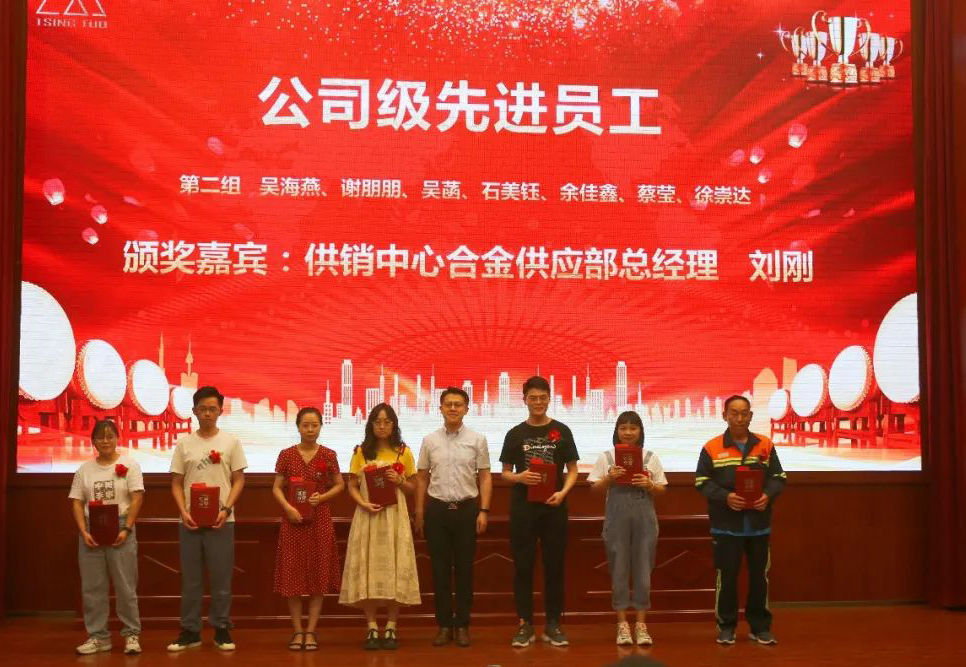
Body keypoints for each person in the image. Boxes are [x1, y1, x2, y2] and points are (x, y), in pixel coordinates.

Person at [695, 394, 786, 646]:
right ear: (724, 416)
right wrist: (726, 497)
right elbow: (701, 481)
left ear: (751, 416)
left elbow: (779, 478)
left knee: (759, 578)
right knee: (727, 578)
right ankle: (726, 627)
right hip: (726, 527)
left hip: (759, 526)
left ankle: (760, 627)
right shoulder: (712, 447)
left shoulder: (765, 445)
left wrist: (767, 495)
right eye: (734, 413)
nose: (739, 418)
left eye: (744, 413)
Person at [500, 376, 579, 647]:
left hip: (554, 508)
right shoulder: (515, 434)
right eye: (532, 398)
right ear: (524, 400)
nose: (537, 402)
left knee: (554, 567)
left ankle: (553, 624)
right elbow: (504, 473)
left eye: (542, 398)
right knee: (523, 568)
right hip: (523, 510)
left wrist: (563, 492)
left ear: (549, 399)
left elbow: (573, 470)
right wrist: (520, 477)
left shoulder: (562, 431)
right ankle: (525, 624)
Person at [167, 386, 248, 652]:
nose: (208, 413)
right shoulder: (184, 443)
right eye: (202, 409)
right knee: (191, 580)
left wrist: (227, 509)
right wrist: (183, 511)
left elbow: (239, 480)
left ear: (220, 411)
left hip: (222, 521)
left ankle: (222, 629)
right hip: (189, 521)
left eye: (212, 408)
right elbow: (176, 483)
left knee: (221, 579)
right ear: (194, 411)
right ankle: (190, 631)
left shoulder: (231, 442)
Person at [415, 387, 492, 648]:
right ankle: (444, 625)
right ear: (440, 408)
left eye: (458, 404)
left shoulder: (477, 440)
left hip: (467, 511)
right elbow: (422, 477)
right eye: (448, 404)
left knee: (464, 571)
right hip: (437, 511)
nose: (453, 408)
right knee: (439, 571)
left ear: (466, 409)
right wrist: (419, 512)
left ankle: (462, 626)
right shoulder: (430, 440)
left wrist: (484, 510)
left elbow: (485, 477)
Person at [339, 403, 420, 650]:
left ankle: (392, 626)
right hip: (369, 515)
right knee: (368, 568)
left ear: (394, 425)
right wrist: (362, 503)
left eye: (387, 422)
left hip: (395, 517)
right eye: (377, 421)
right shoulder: (361, 452)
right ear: (371, 425)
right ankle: (372, 626)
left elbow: (413, 488)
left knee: (395, 567)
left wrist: (400, 480)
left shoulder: (403, 452)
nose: (382, 426)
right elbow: (352, 485)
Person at [588, 411, 667, 646]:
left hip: (645, 521)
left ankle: (641, 625)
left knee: (644, 573)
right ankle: (622, 625)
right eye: (623, 428)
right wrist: (609, 479)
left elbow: (662, 489)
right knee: (619, 571)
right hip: (617, 521)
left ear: (641, 431)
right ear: (617, 431)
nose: (628, 432)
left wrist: (649, 484)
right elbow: (593, 489)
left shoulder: (651, 457)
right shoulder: (607, 457)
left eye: (633, 428)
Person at [69, 419, 144, 655]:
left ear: (117, 438)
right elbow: (76, 502)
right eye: (100, 437)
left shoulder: (129, 465)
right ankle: (98, 637)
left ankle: (131, 634)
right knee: (93, 587)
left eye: (110, 436)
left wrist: (127, 528)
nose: (105, 441)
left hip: (121, 526)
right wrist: (83, 531)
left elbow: (137, 498)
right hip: (91, 530)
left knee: (125, 586)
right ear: (93, 441)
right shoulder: (84, 469)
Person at [272, 407, 345, 651]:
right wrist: (287, 508)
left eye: (314, 425)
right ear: (298, 427)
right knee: (292, 577)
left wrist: (322, 497)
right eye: (305, 425)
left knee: (317, 577)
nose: (310, 429)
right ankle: (297, 631)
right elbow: (276, 487)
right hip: (292, 522)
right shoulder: (286, 455)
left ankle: (311, 631)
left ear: (321, 426)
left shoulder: (328, 454)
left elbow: (340, 485)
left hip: (320, 521)